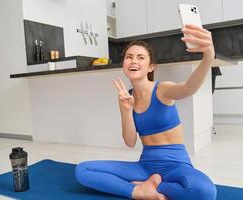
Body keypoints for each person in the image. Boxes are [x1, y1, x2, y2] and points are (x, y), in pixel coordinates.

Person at [75, 24, 217, 200]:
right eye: (129, 57)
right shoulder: (126, 97)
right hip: (145, 166)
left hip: (176, 166)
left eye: (140, 57)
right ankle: (139, 192)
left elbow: (188, 88)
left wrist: (208, 58)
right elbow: (130, 142)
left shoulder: (162, 90)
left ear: (150, 67)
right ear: (124, 64)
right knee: (83, 170)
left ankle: (151, 185)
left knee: (206, 192)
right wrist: (127, 110)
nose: (134, 61)